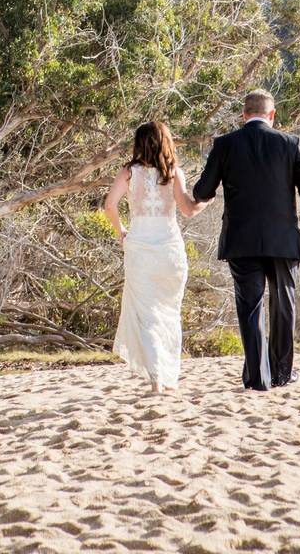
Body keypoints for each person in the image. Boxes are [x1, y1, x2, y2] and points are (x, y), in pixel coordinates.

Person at [192, 89, 300, 391]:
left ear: (243, 114)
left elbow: (203, 191)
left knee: (250, 308)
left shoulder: (225, 145)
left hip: (241, 239)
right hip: (284, 239)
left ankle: (257, 378)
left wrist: (196, 194)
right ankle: (281, 373)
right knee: (283, 305)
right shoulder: (291, 144)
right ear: (272, 115)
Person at [104, 121, 211, 395]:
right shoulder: (174, 174)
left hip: (139, 248)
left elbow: (110, 205)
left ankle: (156, 380)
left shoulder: (128, 173)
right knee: (169, 314)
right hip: (170, 251)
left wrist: (121, 231)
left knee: (147, 317)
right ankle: (166, 375)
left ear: (139, 143)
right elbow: (188, 209)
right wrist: (206, 199)